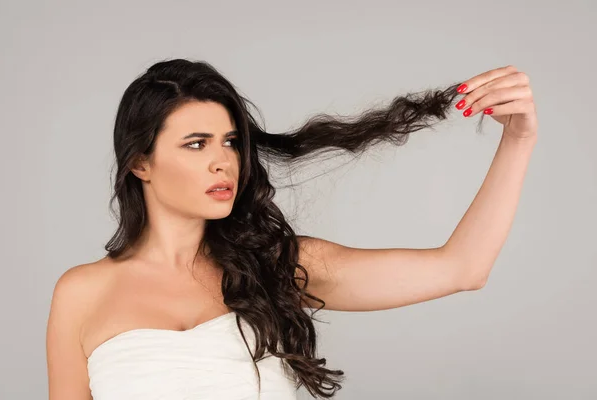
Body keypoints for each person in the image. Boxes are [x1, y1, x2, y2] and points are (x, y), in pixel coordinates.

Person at [46, 59, 538, 399]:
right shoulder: (81, 293)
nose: (223, 162)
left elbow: (462, 268)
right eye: (196, 144)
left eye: (231, 142)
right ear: (140, 163)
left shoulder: (278, 264)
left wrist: (520, 137)